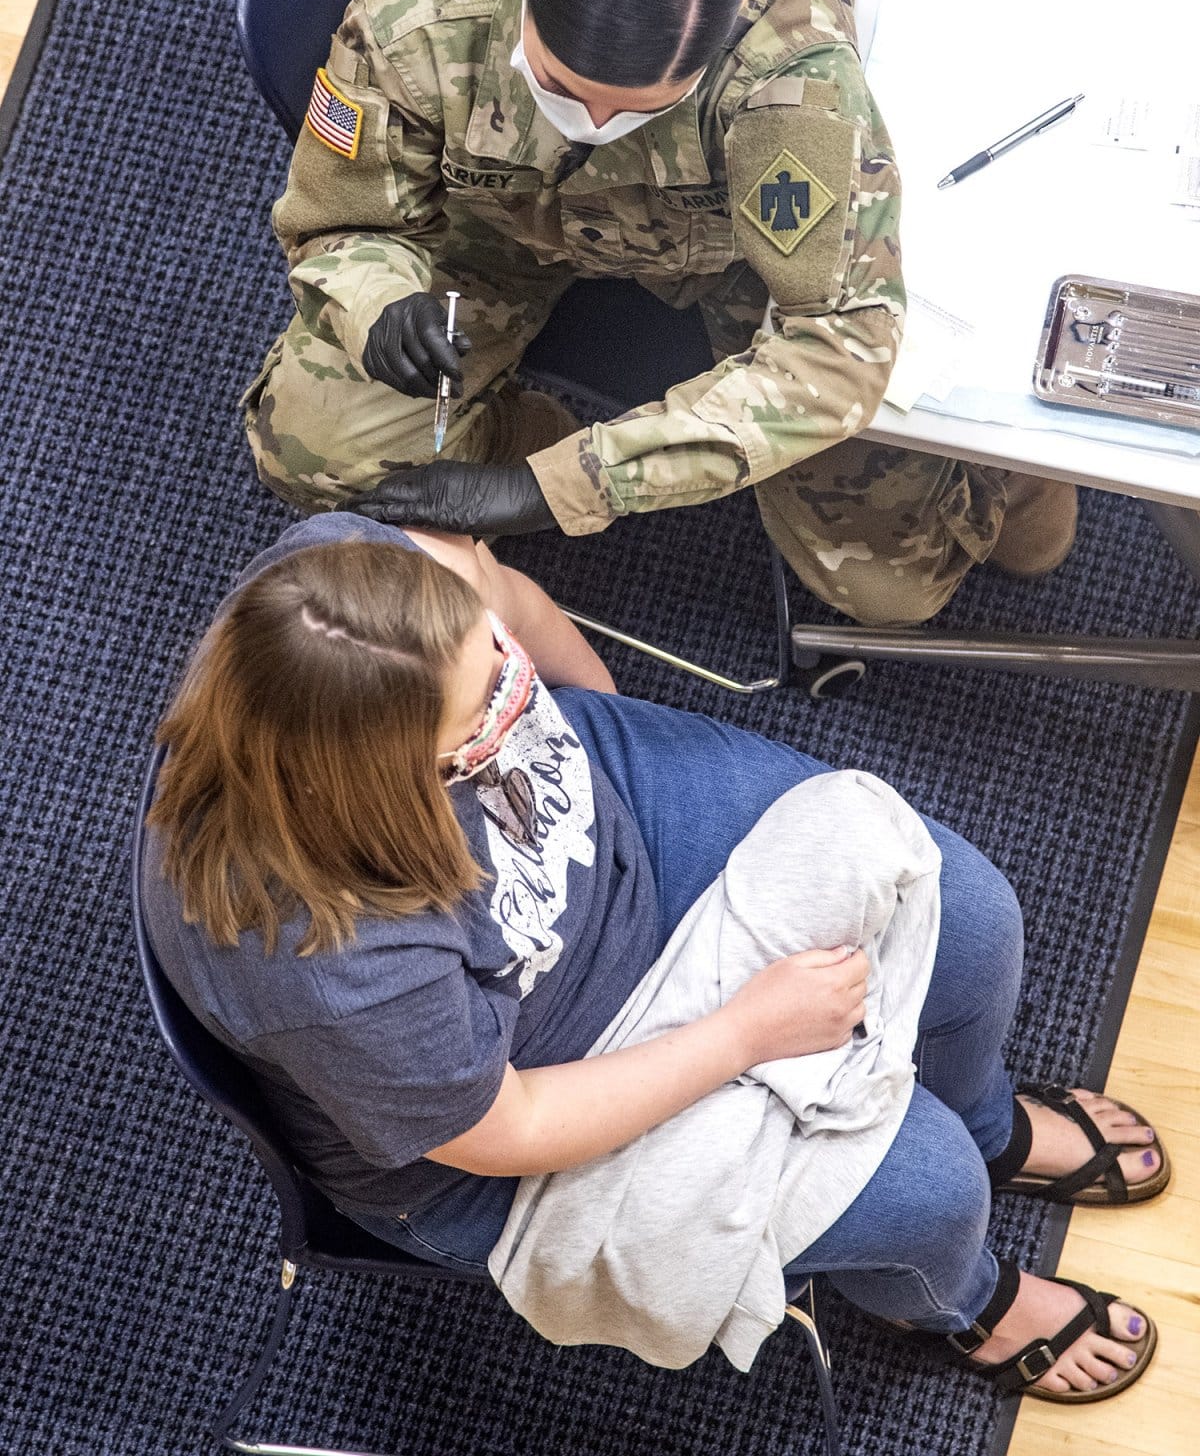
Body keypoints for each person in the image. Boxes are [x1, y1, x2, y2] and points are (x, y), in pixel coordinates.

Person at [142, 512, 1167, 1402]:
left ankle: (989, 1122)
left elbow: (508, 599)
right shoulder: (326, 964)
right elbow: (510, 1125)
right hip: (522, 1107)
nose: (517, 693)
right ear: (383, 781)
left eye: (495, 659)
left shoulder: (353, 588)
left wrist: (608, 724)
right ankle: (960, 1305)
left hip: (603, 848)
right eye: (483, 714)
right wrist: (742, 1033)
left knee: (969, 913)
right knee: (935, 1192)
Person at [243, 0, 1077, 627]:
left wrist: (566, 487)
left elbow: (838, 347)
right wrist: (380, 300)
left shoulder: (794, 77)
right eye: (566, 88)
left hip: (734, 251)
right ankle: (515, 430)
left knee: (889, 585)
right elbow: (341, 217)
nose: (596, 121)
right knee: (316, 454)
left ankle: (1010, 482)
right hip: (501, 218)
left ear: (715, 48)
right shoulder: (418, 13)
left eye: (641, 106)